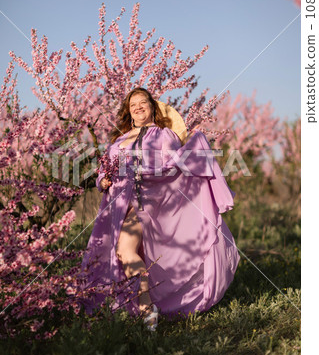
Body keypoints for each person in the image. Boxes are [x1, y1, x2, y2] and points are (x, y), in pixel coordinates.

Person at [77, 87, 240, 331]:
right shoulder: (119, 141)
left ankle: (147, 310)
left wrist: (193, 147)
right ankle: (143, 308)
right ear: (128, 111)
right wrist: (103, 180)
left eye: (144, 102)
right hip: (118, 205)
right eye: (134, 104)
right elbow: (104, 171)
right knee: (128, 255)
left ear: (153, 107)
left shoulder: (165, 136)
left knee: (125, 251)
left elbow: (175, 166)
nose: (139, 107)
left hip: (149, 201)